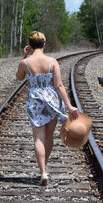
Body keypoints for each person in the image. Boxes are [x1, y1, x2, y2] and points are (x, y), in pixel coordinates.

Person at [16, 31, 78, 186]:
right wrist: (69, 106)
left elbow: (19, 77)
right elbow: (59, 85)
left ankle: (43, 172)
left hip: (34, 101)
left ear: (29, 45)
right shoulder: (52, 62)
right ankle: (45, 166)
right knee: (49, 137)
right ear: (44, 44)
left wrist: (24, 57)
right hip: (52, 102)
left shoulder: (26, 63)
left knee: (38, 138)